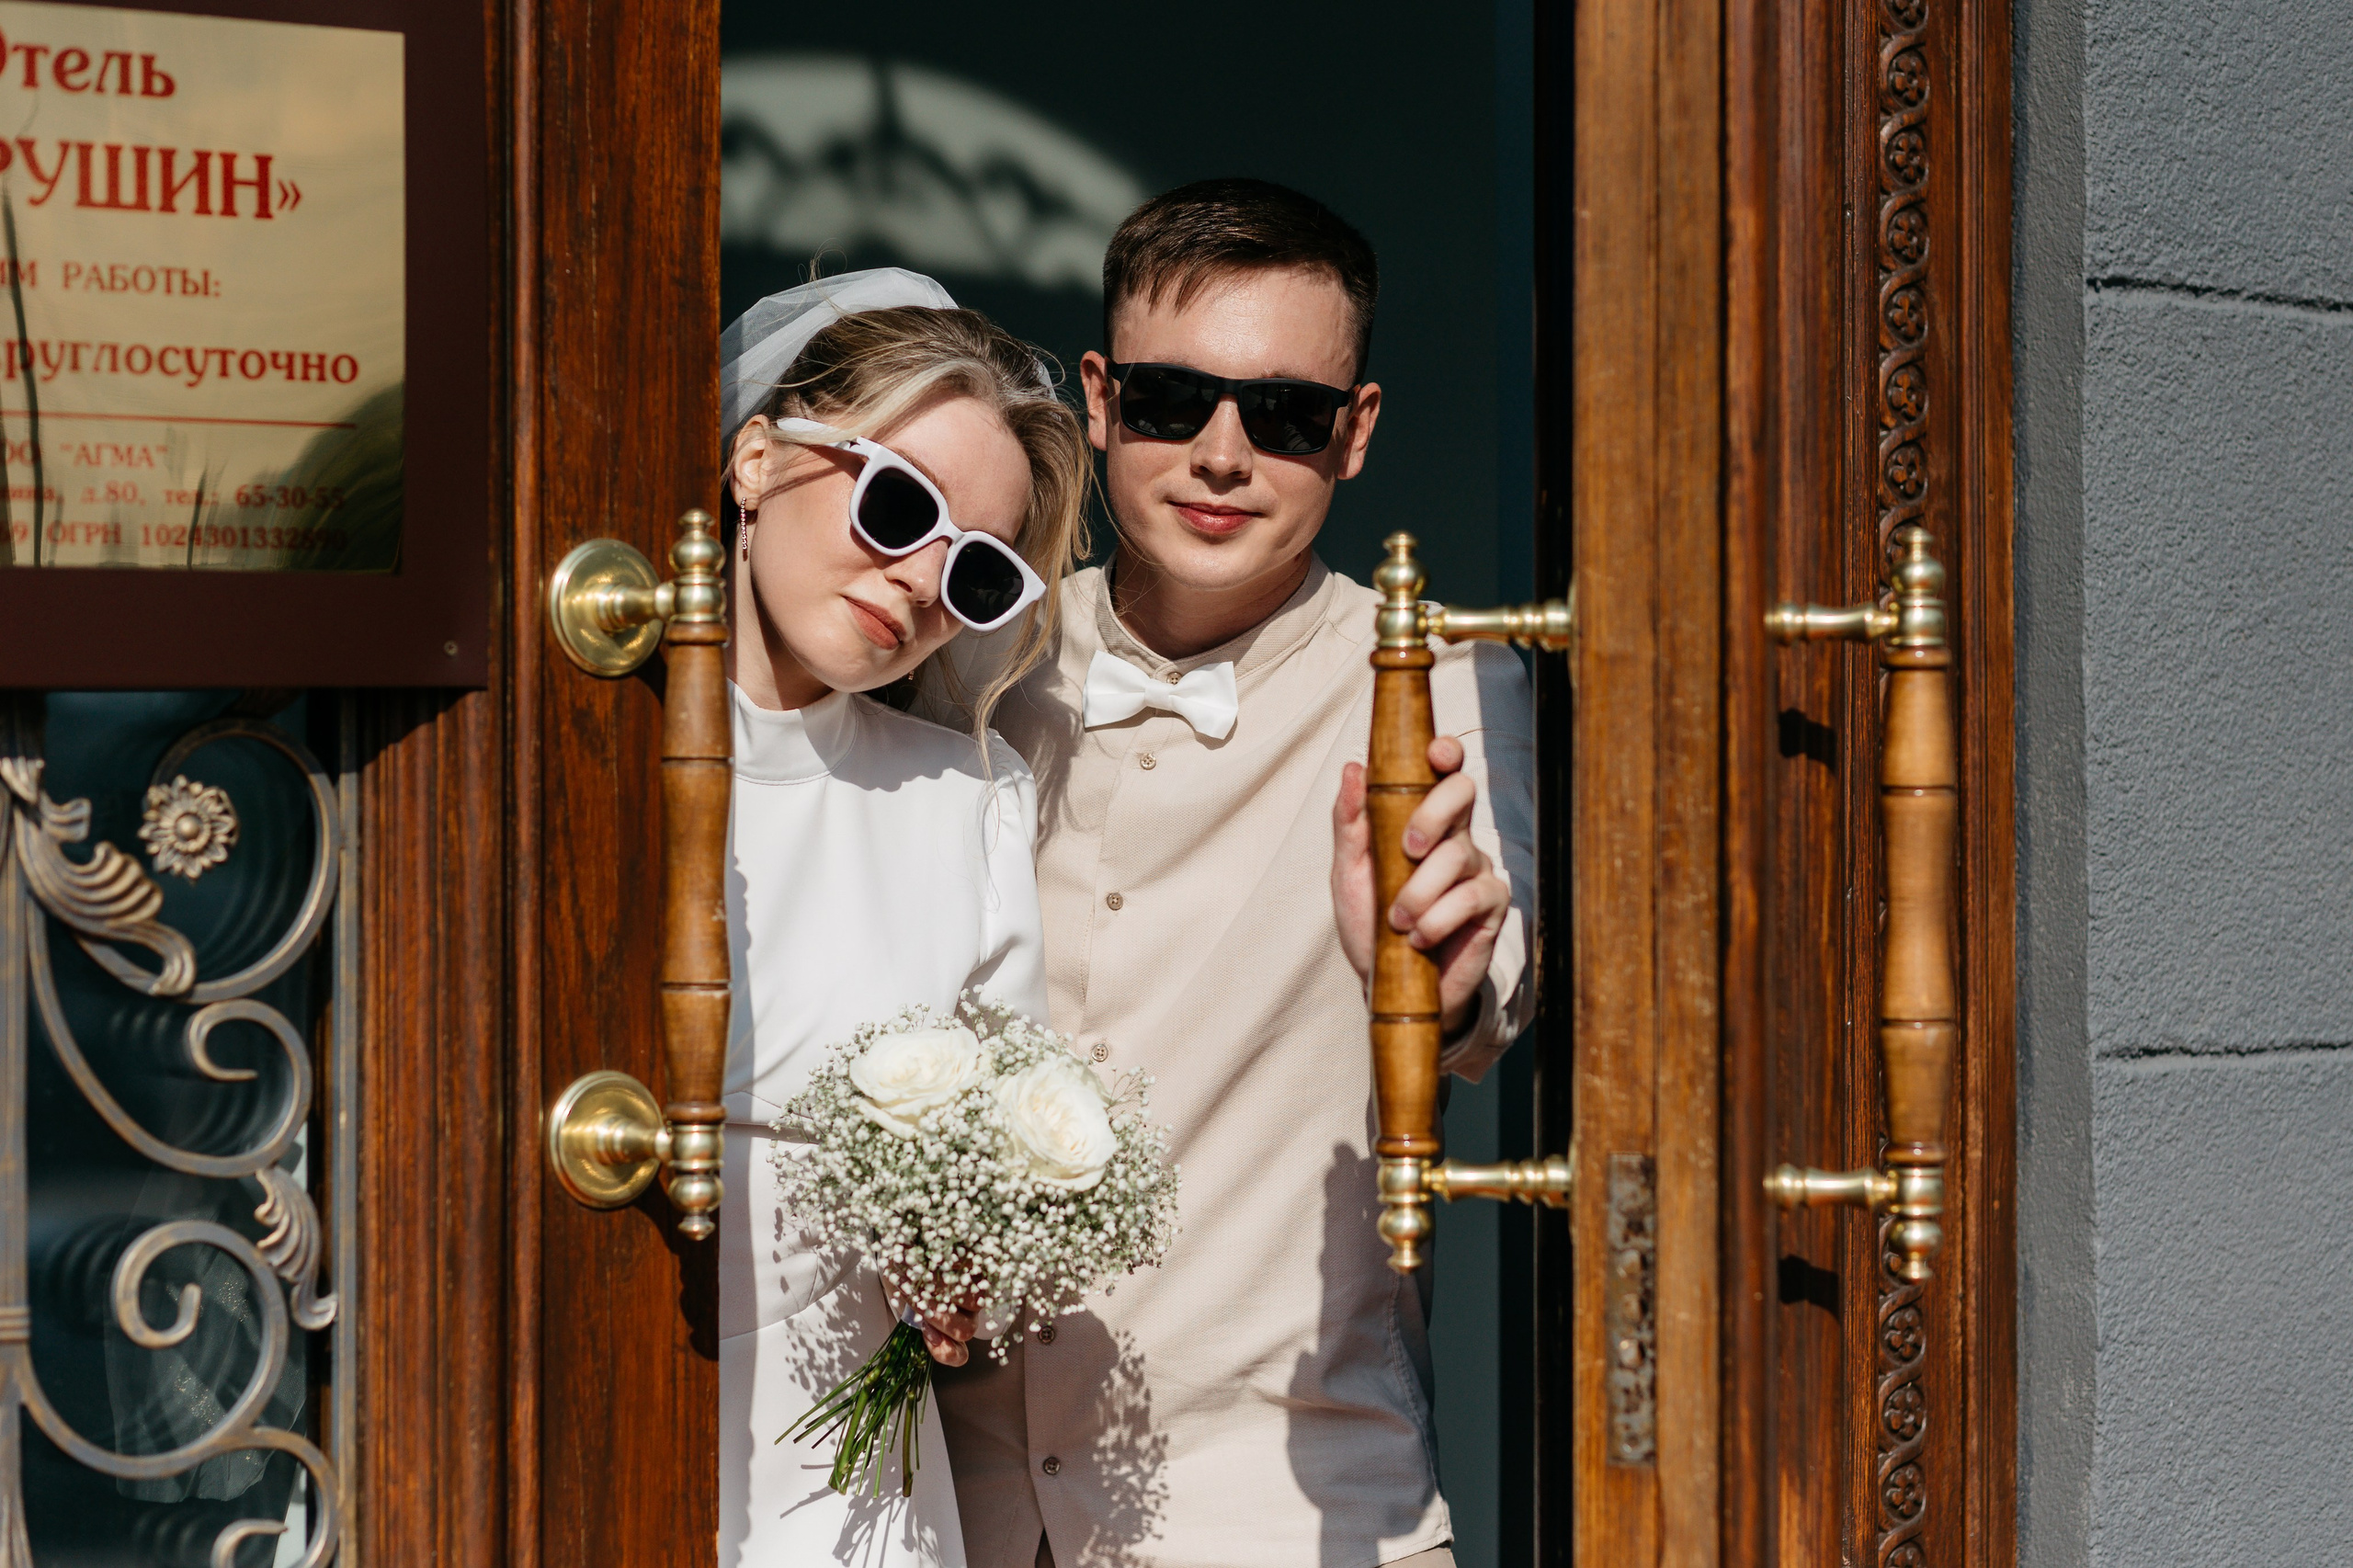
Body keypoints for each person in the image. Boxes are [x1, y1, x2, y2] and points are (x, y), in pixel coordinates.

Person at [926, 181, 1535, 1568]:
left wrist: (1424, 976)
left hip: (1289, 1512)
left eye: (1284, 415)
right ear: (1098, 395)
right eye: (1170, 400)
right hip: (949, 1510)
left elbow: (1488, 981)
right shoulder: (968, 655)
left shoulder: (1441, 676)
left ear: (1357, 431)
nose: (1219, 454)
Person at [715, 268, 1090, 1567]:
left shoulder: (962, 804)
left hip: (843, 1500)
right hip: (558, 1420)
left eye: (977, 571)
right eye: (897, 504)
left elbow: (1003, 1183)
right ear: (758, 455)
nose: (922, 577)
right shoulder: (577, 754)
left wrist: (967, 1269)